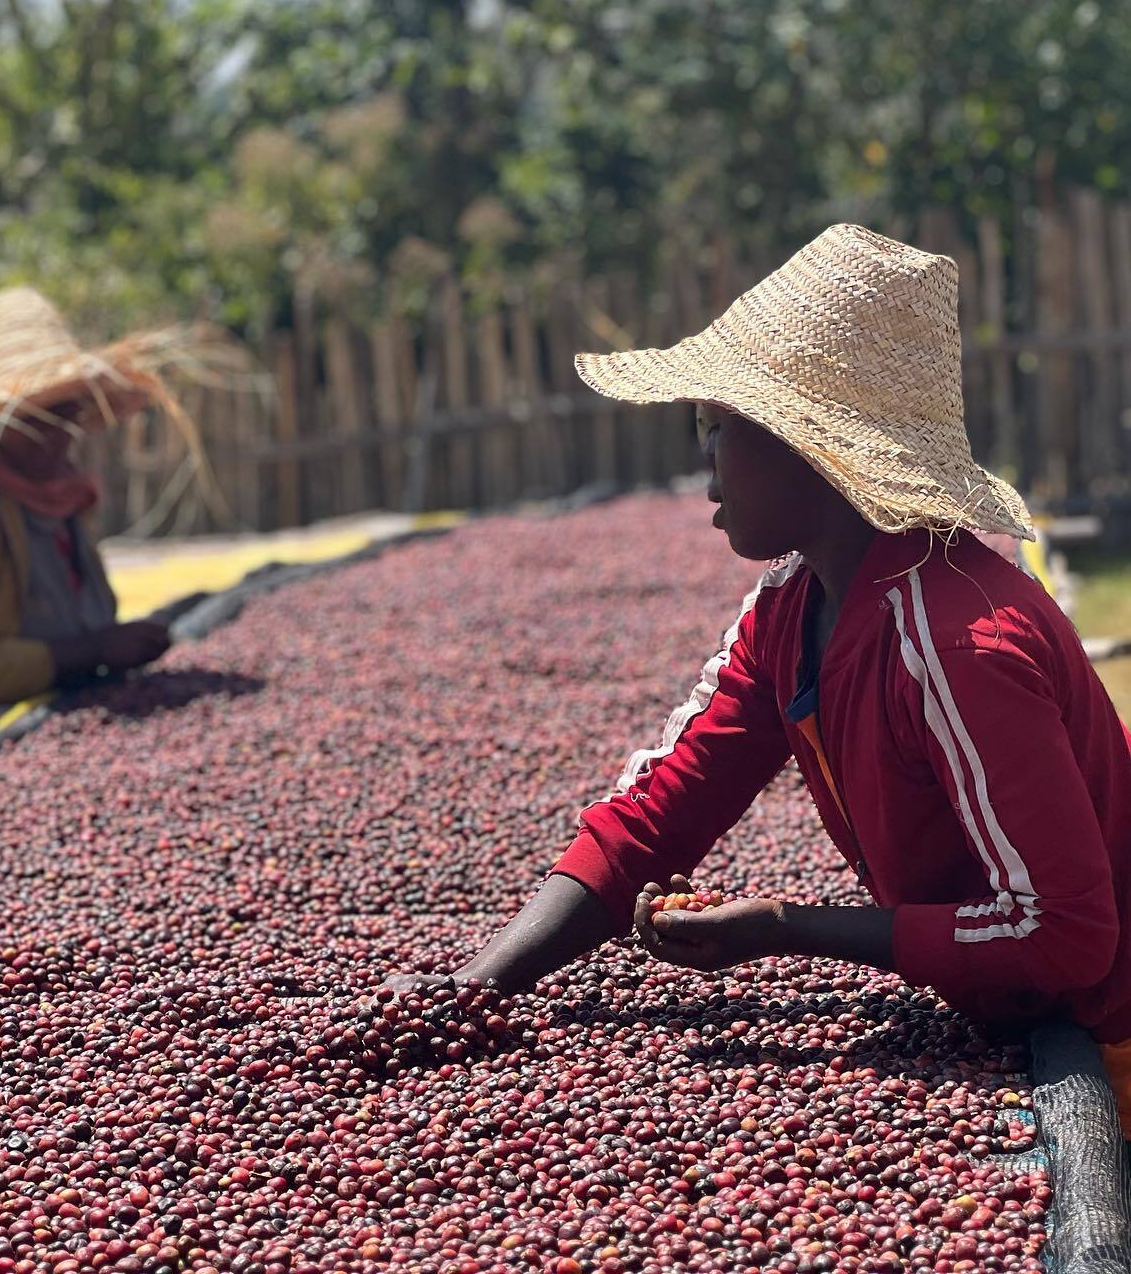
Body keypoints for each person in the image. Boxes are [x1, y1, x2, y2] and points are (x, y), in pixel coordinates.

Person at [389, 224, 1131, 1137]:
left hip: (1108, 1037)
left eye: (714, 431)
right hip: (1009, 1015)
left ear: (805, 445)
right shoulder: (793, 605)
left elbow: (1065, 935)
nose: (703, 474)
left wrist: (786, 926)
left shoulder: (958, 644)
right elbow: (665, 806)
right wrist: (480, 982)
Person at [0, 287, 227, 764]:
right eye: (40, 418)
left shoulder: (63, 495)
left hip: (79, 717)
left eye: (68, 414)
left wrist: (118, 647)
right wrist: (95, 649)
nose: (59, 436)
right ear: (0, 423)